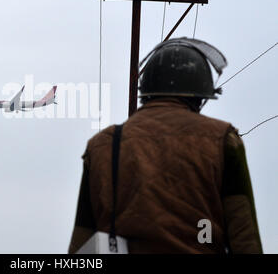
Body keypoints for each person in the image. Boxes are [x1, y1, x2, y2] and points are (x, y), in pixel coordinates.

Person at [68, 38, 262, 254]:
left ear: (146, 90)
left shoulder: (102, 146)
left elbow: (81, 241)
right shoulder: (222, 140)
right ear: (201, 97)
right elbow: (244, 235)